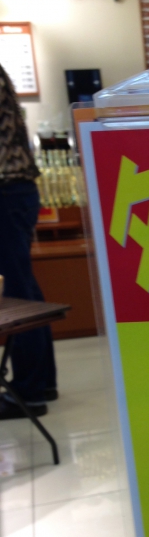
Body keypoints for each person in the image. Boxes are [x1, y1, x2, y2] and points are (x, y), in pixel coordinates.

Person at [0, 63, 57, 419]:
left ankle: (30, 391)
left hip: (6, 192)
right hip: (16, 191)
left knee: (17, 293)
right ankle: (41, 382)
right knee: (25, 290)